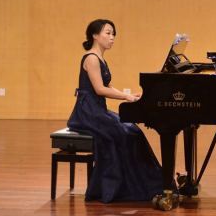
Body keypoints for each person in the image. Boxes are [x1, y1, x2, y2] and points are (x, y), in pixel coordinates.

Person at [67, 19, 162, 203]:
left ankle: (140, 182)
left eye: (113, 34)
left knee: (132, 130)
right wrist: (125, 97)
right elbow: (100, 89)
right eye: (108, 33)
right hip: (88, 112)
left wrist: (129, 95)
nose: (112, 38)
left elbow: (107, 86)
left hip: (97, 109)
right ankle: (124, 185)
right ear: (95, 35)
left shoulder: (101, 58)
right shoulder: (91, 58)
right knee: (123, 132)